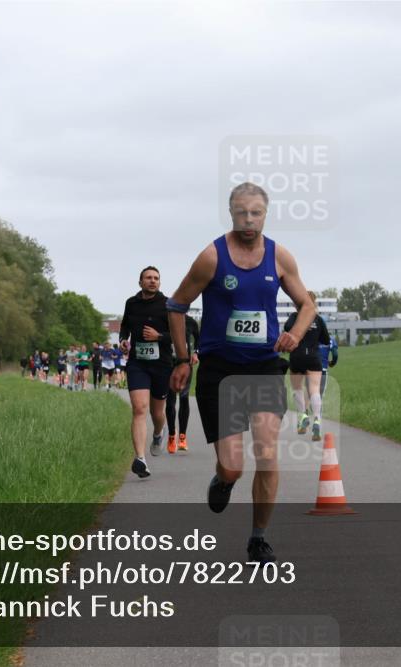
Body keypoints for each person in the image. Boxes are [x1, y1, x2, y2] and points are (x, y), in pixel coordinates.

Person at [168, 182, 316, 563]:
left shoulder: (279, 256)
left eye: (256, 213)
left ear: (265, 214)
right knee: (233, 466)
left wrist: (295, 334)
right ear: (230, 213)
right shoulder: (211, 257)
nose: (248, 220)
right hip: (220, 370)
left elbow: (307, 305)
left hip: (264, 367)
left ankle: (258, 537)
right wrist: (184, 358)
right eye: (241, 213)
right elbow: (177, 304)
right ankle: (223, 480)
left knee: (267, 452)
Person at [120, 266, 173, 478]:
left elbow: (178, 335)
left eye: (156, 278)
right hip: (138, 363)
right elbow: (125, 326)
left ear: (159, 282)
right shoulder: (131, 303)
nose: (152, 281)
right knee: (139, 408)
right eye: (148, 278)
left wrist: (159, 336)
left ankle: (158, 433)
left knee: (157, 413)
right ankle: (140, 459)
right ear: (140, 282)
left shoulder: (169, 304)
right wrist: (124, 339)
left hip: (161, 364)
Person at [284, 291, 330, 441]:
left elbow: (287, 330)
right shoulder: (318, 319)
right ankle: (317, 419)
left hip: (297, 357)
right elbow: (325, 339)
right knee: (314, 389)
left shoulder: (293, 318)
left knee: (297, 389)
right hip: (313, 357)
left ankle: (303, 415)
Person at [165, 314, 200, 453]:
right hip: (168, 363)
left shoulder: (190, 321)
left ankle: (182, 437)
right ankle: (172, 435)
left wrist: (196, 353)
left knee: (184, 398)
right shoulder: (165, 319)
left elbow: (199, 338)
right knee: (170, 401)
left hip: (185, 364)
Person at [318, 334, 339, 398]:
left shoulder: (311, 338)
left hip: (310, 369)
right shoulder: (330, 340)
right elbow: (335, 354)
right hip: (323, 369)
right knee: (319, 395)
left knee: (309, 393)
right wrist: (332, 363)